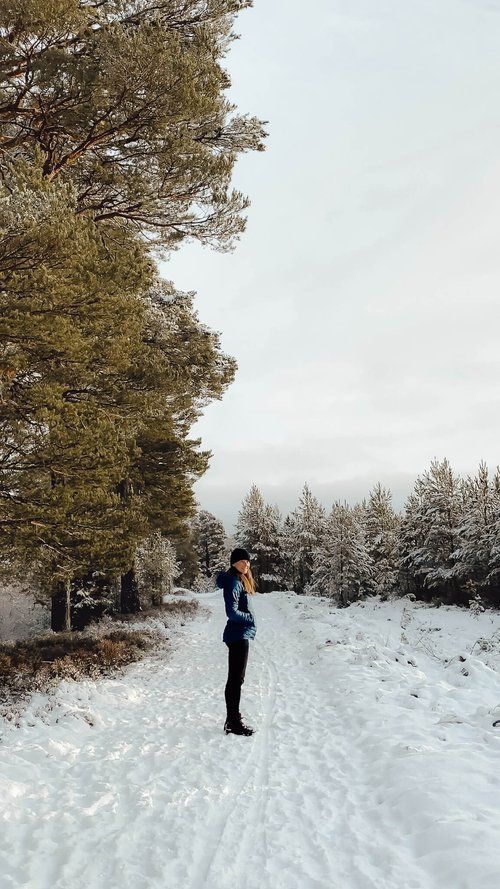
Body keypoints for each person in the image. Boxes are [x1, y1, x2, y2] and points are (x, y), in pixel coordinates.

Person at [215, 547, 257, 736]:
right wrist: (249, 618)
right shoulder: (234, 582)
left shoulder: (239, 581)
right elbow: (231, 612)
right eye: (242, 561)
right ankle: (233, 722)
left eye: (247, 562)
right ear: (233, 563)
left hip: (238, 634)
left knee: (236, 679)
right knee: (235, 680)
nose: (246, 564)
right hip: (237, 635)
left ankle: (232, 720)